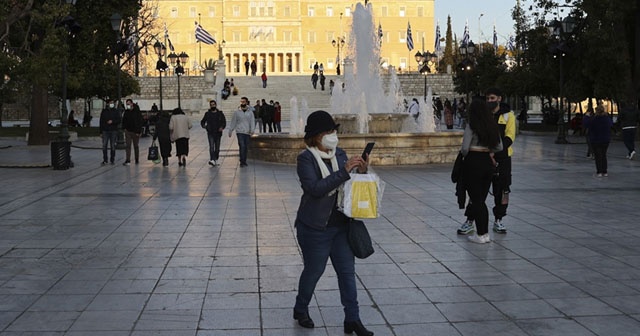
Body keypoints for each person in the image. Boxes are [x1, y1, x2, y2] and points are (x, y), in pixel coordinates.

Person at [292, 110, 373, 336]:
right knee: (314, 271)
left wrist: (361, 171)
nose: (333, 135)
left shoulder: (340, 155)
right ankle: (300, 308)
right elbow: (315, 189)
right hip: (315, 227)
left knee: (347, 273)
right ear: (317, 136)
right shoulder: (305, 158)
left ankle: (353, 319)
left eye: (334, 131)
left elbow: (350, 185)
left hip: (341, 226)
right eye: (328, 131)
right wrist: (345, 171)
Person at [458, 88, 516, 235]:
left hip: (502, 158)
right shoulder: (484, 116)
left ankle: (499, 219)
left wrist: (494, 152)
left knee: (502, 189)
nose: (489, 101)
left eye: (492, 98)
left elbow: (509, 137)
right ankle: (470, 220)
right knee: (477, 192)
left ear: (499, 98)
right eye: (488, 99)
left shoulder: (508, 116)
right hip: (485, 159)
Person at [459, 100, 503, 244]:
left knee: (476, 200)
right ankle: (485, 234)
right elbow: (499, 147)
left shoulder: (472, 125)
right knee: (481, 200)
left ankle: (481, 233)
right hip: (487, 162)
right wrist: (488, 151)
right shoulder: (492, 126)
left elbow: (465, 148)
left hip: (473, 162)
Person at [585, 105, 613, 177]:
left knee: (598, 156)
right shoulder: (607, 119)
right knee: (603, 155)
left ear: (596, 111)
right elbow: (611, 125)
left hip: (596, 139)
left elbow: (586, 124)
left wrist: (586, 116)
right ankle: (605, 171)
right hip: (605, 139)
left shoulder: (594, 119)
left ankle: (599, 172)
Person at [228, 96, 256, 167]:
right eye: (241, 101)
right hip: (240, 131)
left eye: (243, 102)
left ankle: (244, 160)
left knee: (246, 146)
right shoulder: (237, 112)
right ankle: (242, 161)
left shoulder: (250, 112)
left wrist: (252, 130)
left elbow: (252, 121)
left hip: (247, 131)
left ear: (246, 102)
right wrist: (230, 130)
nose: (242, 103)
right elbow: (233, 121)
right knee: (242, 146)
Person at [201, 100, 226, 166]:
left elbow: (224, 122)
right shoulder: (207, 114)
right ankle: (212, 159)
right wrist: (205, 126)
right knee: (211, 146)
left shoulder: (220, 114)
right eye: (211, 105)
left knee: (217, 148)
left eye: (213, 104)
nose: (213, 106)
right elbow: (202, 121)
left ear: (216, 105)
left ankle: (216, 159)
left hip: (218, 133)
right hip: (210, 132)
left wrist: (222, 127)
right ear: (210, 106)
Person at [122, 99, 144, 165]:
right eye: (127, 104)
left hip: (135, 131)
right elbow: (124, 120)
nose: (128, 105)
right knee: (128, 146)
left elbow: (140, 121)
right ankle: (128, 160)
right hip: (128, 131)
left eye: (129, 104)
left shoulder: (137, 111)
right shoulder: (126, 112)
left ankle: (136, 159)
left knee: (136, 146)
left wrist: (139, 131)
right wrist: (124, 128)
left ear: (132, 104)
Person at [99, 99, 121, 165]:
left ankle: (112, 160)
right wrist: (100, 132)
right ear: (108, 104)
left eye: (113, 103)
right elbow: (101, 121)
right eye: (111, 103)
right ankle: (105, 160)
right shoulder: (104, 111)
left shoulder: (116, 111)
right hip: (105, 130)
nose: (112, 104)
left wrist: (112, 121)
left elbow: (119, 120)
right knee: (104, 145)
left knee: (112, 145)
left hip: (113, 130)